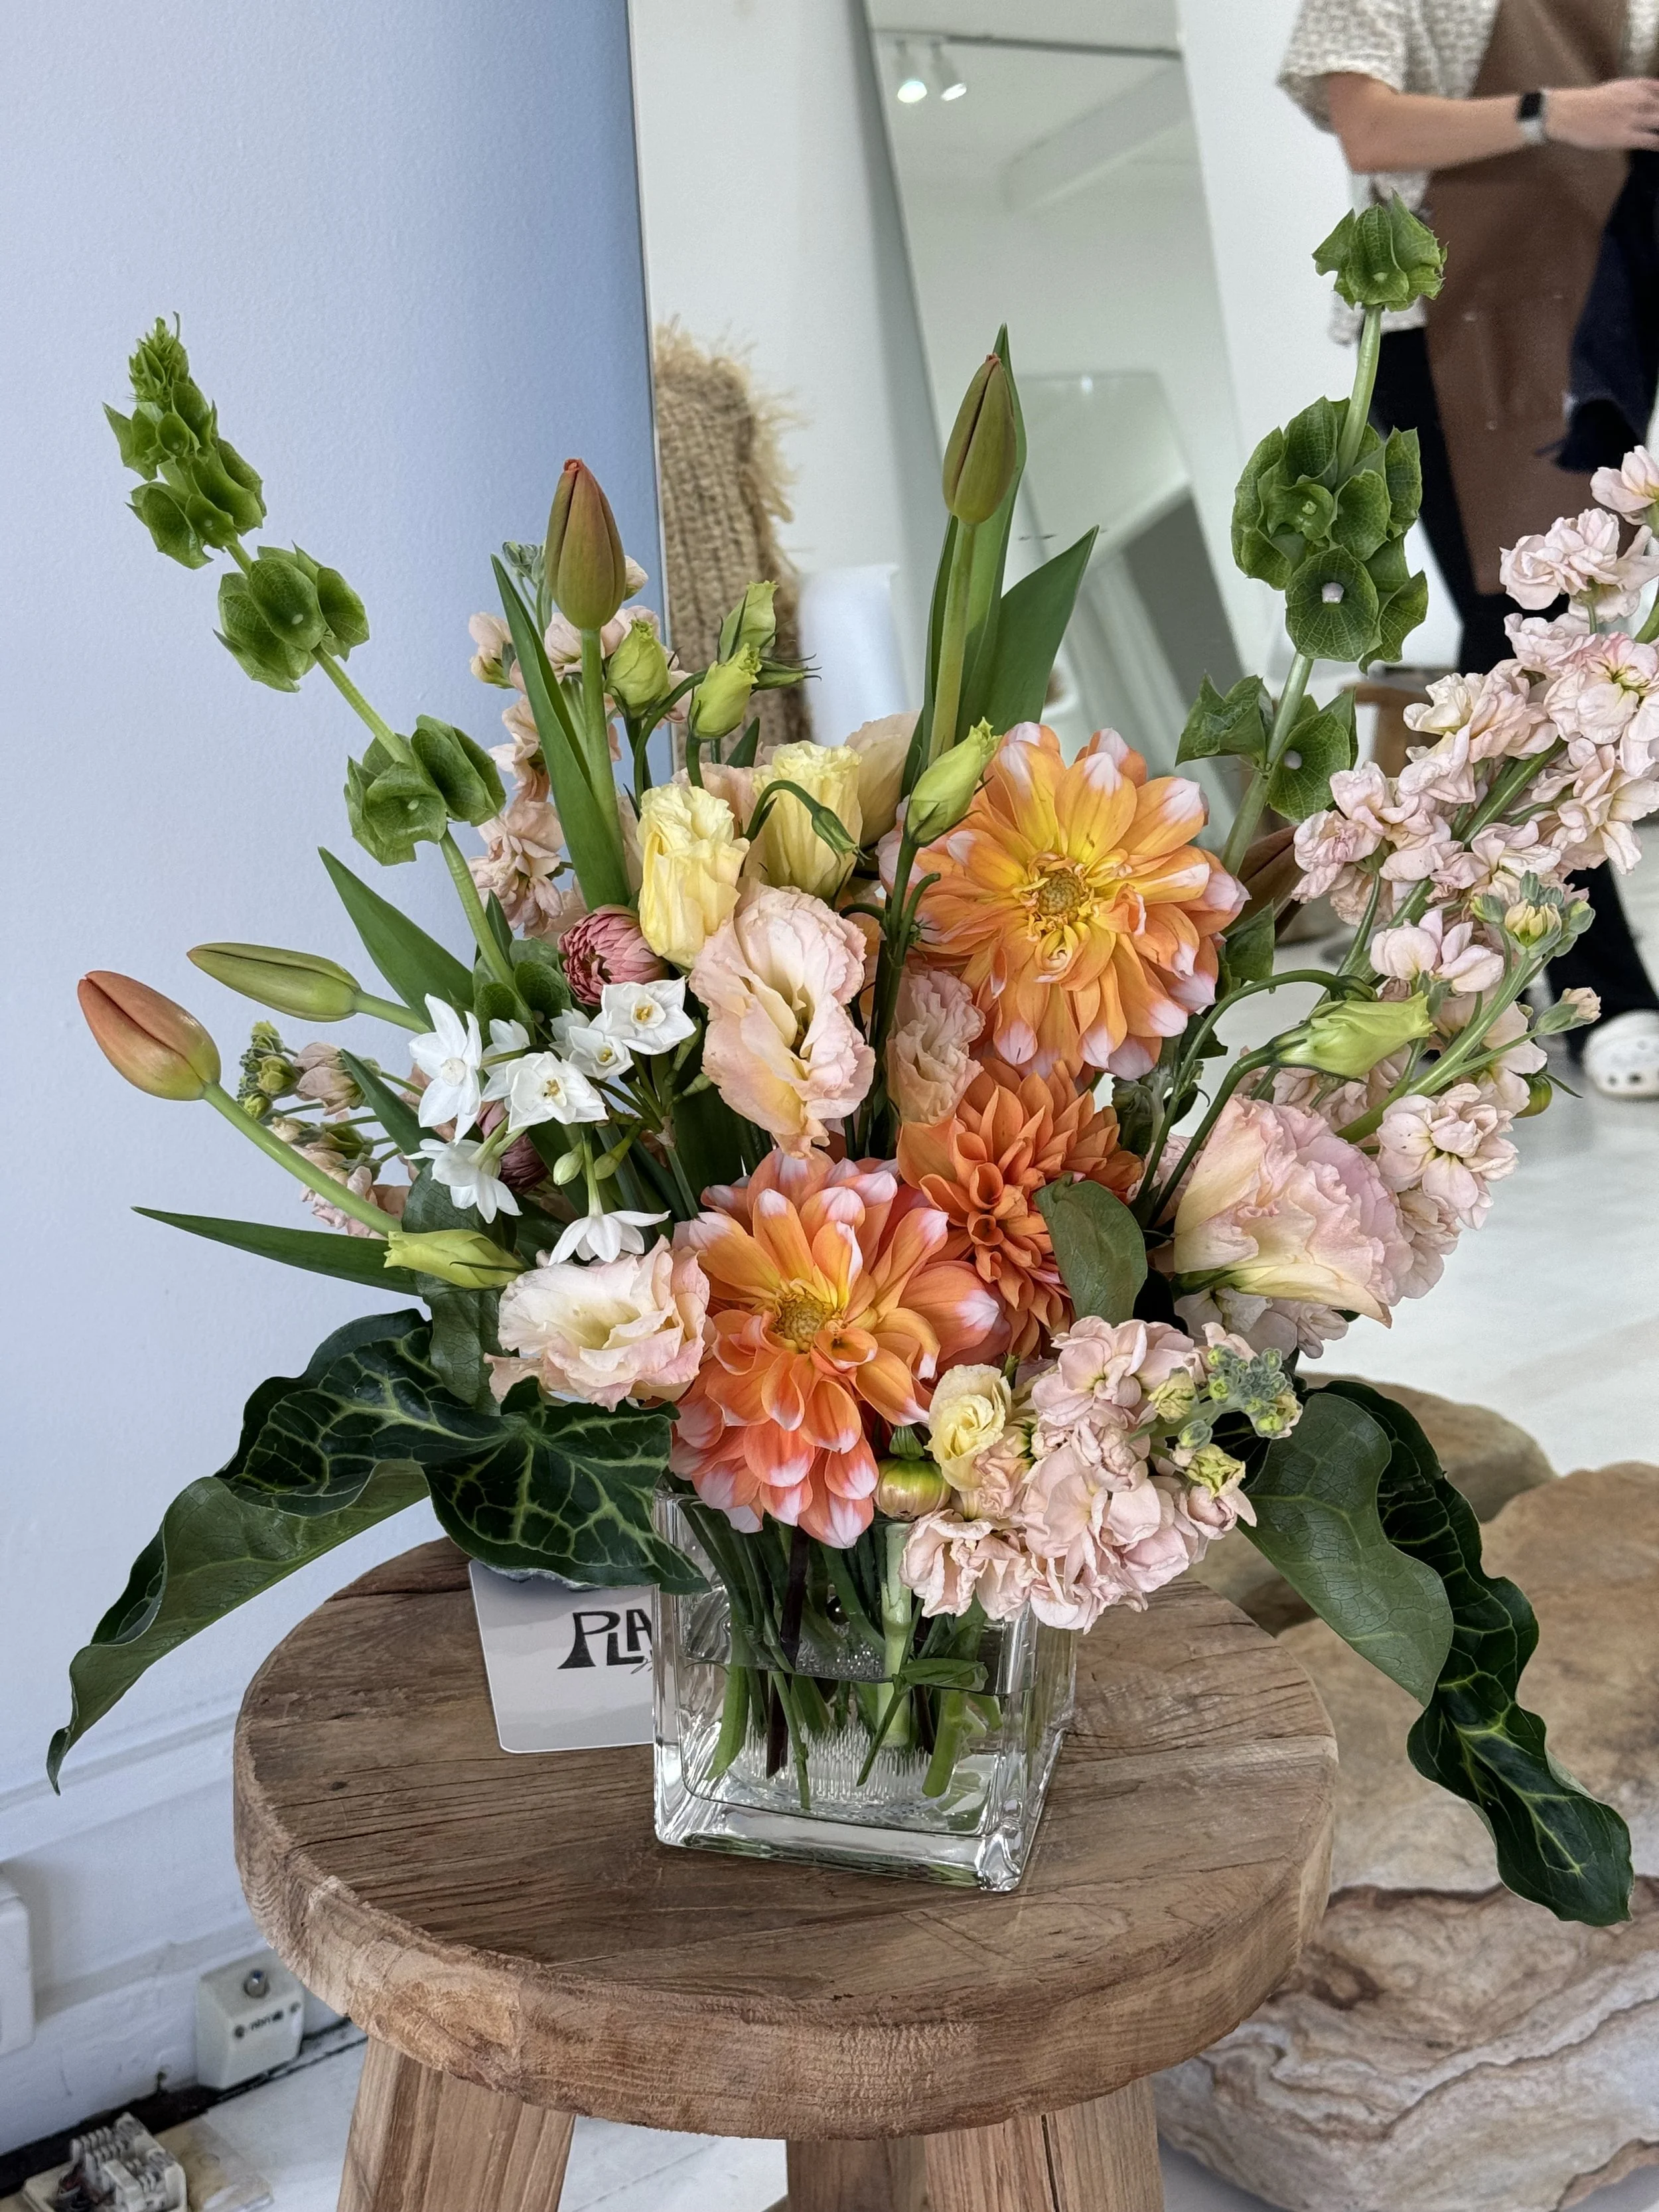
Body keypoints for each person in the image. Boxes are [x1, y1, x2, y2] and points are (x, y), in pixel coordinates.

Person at [1281, 0, 1659, 1098]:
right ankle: (1596, 989)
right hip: (1448, 325)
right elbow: (1370, 129)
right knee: (1528, 644)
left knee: (1573, 646)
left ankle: (1467, 976)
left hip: (1587, 316)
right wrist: (1553, 113)